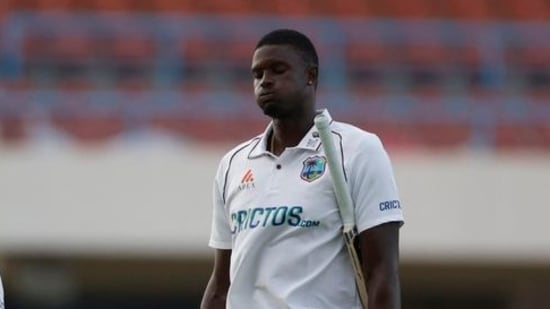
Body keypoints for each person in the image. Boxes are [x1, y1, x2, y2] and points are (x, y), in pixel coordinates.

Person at [201, 29, 404, 309]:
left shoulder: (358, 150)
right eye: (257, 74)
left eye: (278, 70)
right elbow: (221, 286)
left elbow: (382, 273)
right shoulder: (233, 164)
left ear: (311, 75)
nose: (265, 81)